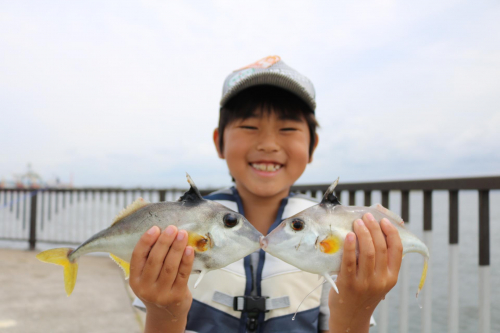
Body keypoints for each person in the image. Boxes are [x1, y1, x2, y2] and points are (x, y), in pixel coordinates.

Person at [129, 56, 403, 333]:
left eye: (288, 129)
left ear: (312, 145)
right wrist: (163, 310)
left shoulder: (334, 229)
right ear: (219, 141)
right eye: (249, 127)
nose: (269, 144)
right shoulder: (182, 223)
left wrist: (357, 309)